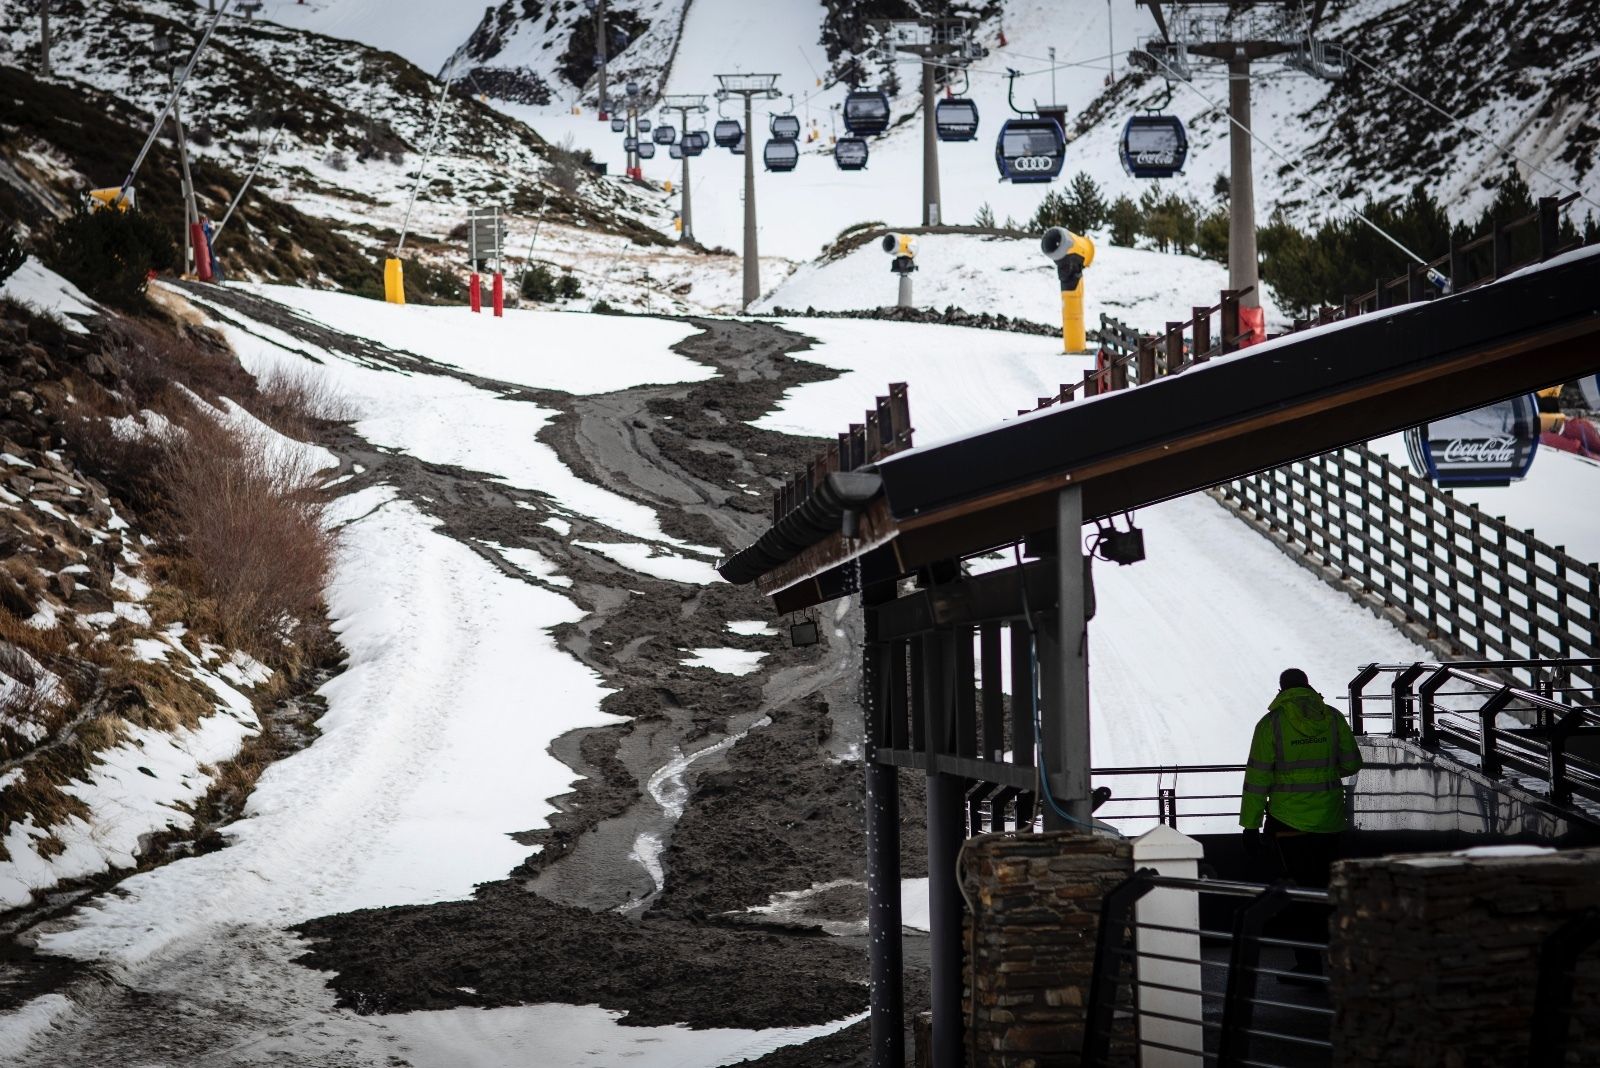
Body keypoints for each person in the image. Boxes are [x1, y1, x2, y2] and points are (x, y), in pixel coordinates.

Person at [1239, 668, 1363, 975]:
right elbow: (1351, 763)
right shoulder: (1332, 718)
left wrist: (1250, 825)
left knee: (1296, 892)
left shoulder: (1271, 724)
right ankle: (1338, 960)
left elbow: (1257, 779)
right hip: (1330, 820)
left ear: (1282, 689)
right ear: (1308, 686)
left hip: (1288, 824)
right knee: (1329, 890)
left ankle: (1308, 966)